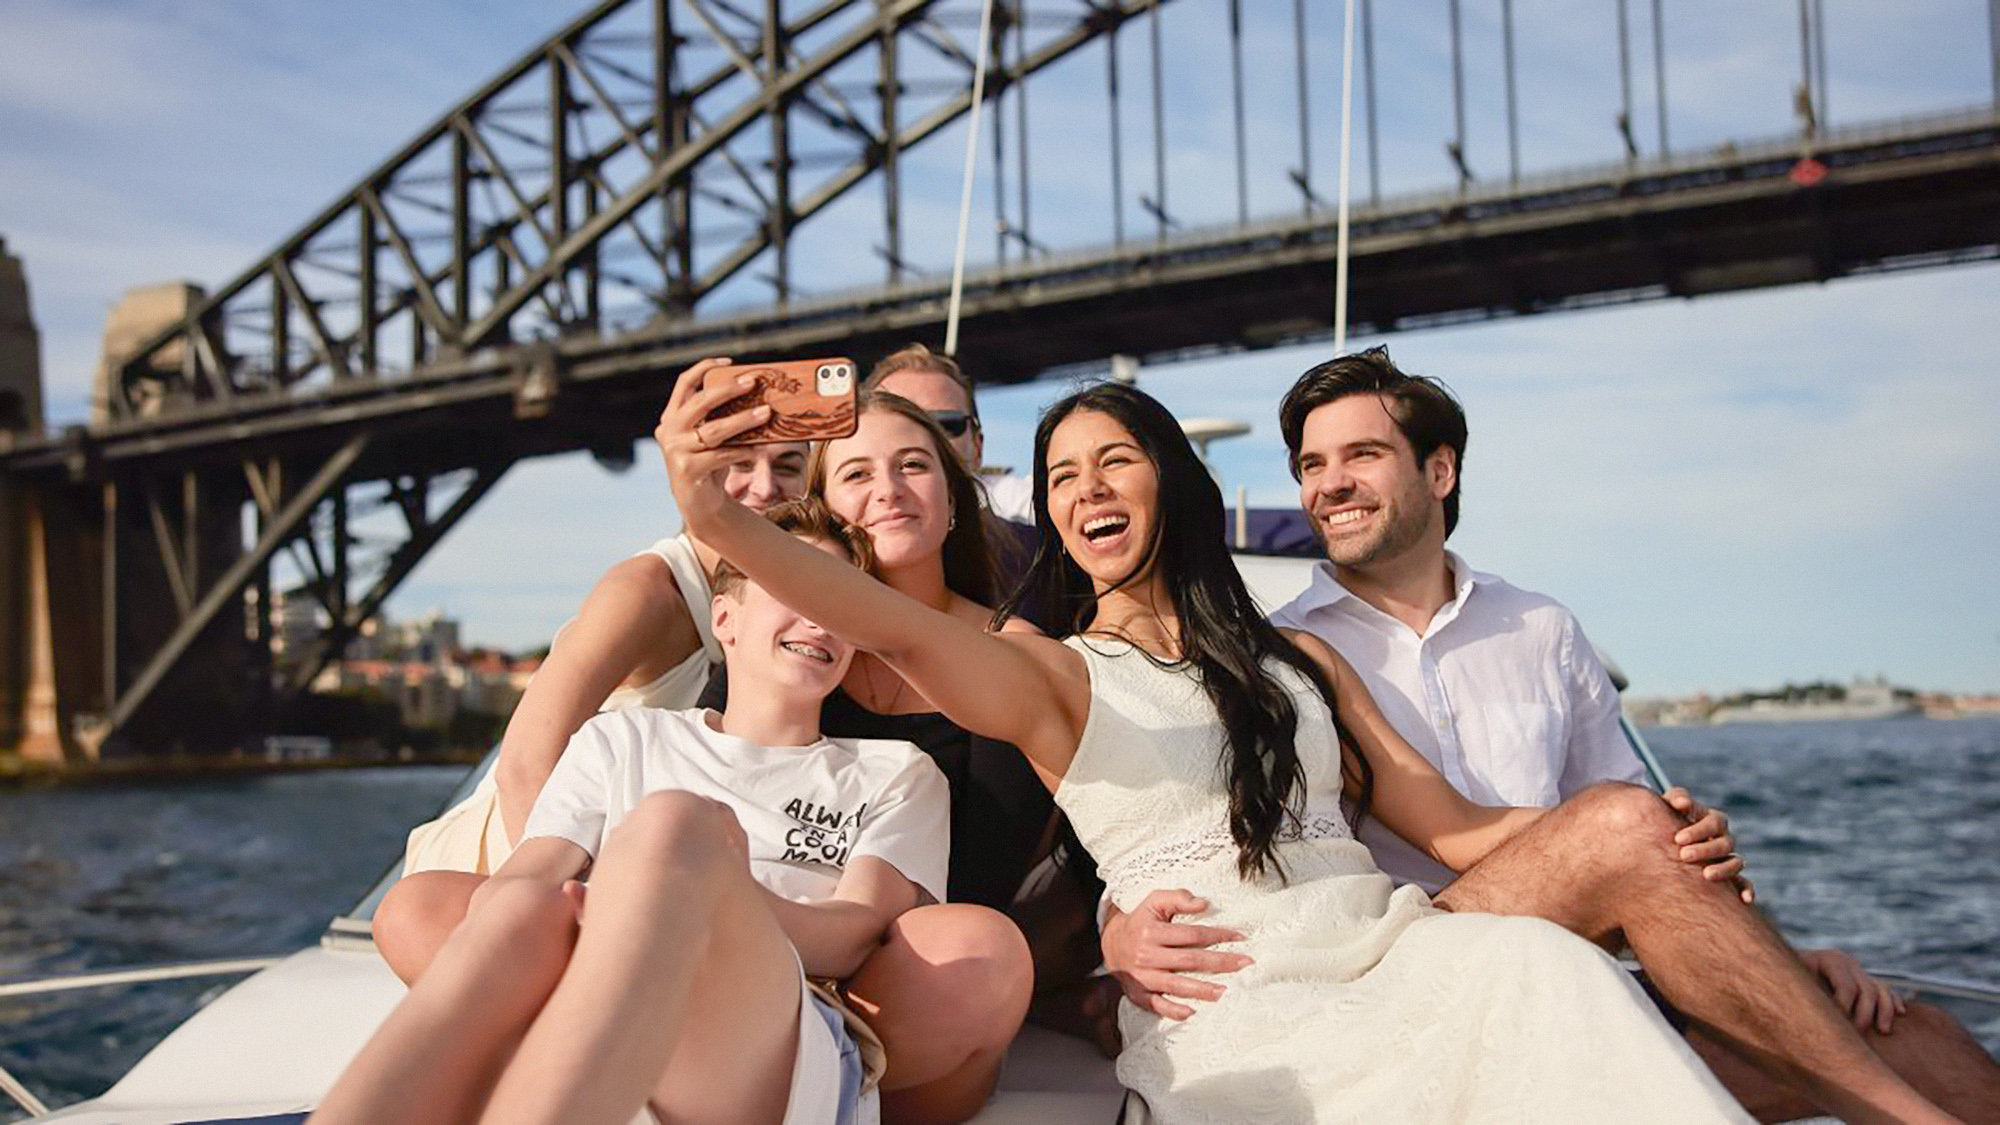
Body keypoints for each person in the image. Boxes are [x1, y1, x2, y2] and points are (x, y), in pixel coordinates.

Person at [659, 367, 1958, 1123]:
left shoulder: (1300, 657)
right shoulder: (1047, 673)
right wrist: (708, 504)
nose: (1089, 490)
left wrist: (1665, 846)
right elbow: (873, 607)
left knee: (1537, 973)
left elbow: (1460, 832)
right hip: (1241, 994)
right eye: (1061, 478)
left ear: (1170, 475)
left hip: (1396, 940)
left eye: (1115, 461)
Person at [1105, 346, 2000, 1121]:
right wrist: (1116, 923)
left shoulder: (1544, 628)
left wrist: (1782, 961)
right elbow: (1177, 819)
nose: (1327, 483)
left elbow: (1639, 842)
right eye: (1310, 463)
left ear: (1440, 471)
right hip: (1399, 965)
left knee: (1921, 1038)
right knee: (1624, 825)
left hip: (1583, 964)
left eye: (1362, 454)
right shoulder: (1280, 653)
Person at [314, 499, 948, 1125]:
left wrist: (688, 892)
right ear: (724, 618)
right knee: (499, 902)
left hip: (773, 1032)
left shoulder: (894, 772)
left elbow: (853, 934)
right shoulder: (621, 739)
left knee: (674, 826)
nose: (819, 619)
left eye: (837, 600)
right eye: (794, 588)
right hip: (603, 981)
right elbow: (530, 871)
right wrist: (605, 920)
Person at [696, 387, 1101, 1117]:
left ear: (953, 503)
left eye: (913, 465)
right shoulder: (779, 647)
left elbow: (1051, 850)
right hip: (759, 972)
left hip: (921, 997)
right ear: (822, 506)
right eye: (854, 474)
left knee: (969, 948)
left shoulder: (1018, 660)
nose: (887, 490)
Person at [398, 438, 808, 875]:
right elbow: (525, 768)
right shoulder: (644, 592)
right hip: (511, 860)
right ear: (699, 472)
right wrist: (571, 907)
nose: (765, 487)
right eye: (740, 464)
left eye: (787, 466)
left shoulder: (782, 597)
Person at [865, 343, 1034, 524]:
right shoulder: (838, 542)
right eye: (899, 426)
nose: (923, 441)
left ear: (977, 447)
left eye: (946, 425)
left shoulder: (1021, 515)